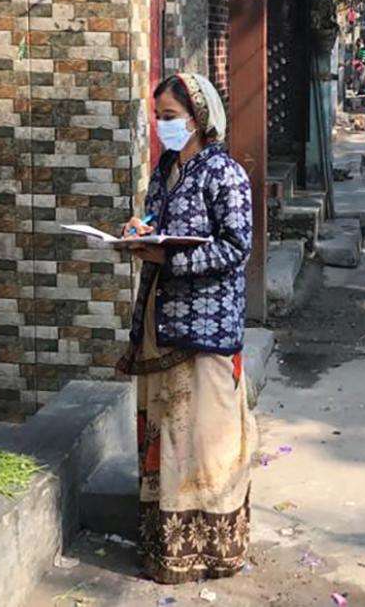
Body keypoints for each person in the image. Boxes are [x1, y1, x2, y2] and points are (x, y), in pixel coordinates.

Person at [116, 73, 257, 584]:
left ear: (199, 118)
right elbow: (159, 220)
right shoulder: (166, 168)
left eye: (171, 118)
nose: (162, 128)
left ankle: (212, 549)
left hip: (205, 325)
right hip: (162, 320)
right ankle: (166, 546)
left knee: (205, 436)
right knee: (167, 431)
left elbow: (236, 246)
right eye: (159, 118)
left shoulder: (225, 173)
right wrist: (141, 230)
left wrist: (171, 260)